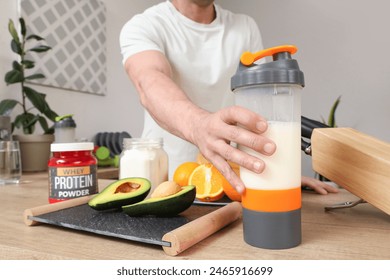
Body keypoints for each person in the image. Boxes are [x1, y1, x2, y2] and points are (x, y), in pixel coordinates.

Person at [120, 0, 338, 195]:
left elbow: (261, 107)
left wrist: (276, 174)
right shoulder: (145, 25)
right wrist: (199, 125)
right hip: (163, 183)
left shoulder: (245, 27)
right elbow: (149, 81)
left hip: (229, 183)